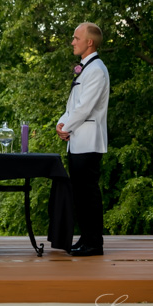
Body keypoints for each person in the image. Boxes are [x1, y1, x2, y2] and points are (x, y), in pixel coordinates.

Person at [57, 22, 110, 257]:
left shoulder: (97, 70)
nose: (72, 42)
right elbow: (73, 104)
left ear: (90, 42)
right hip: (77, 140)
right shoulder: (85, 68)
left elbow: (86, 107)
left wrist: (66, 127)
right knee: (79, 193)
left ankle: (94, 243)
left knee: (88, 193)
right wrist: (61, 123)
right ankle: (86, 237)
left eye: (76, 38)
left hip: (88, 141)